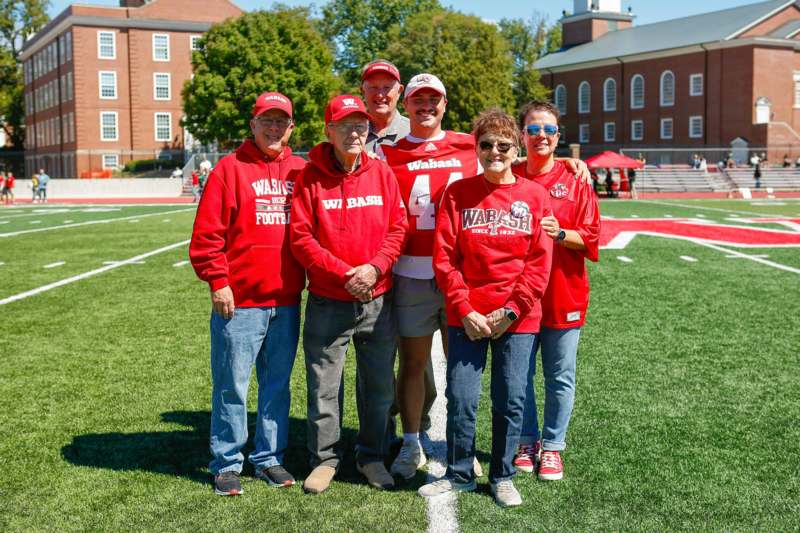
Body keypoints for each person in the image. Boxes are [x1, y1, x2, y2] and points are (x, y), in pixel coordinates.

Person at [418, 108, 552, 508]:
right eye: (487, 145)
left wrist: (511, 311)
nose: (495, 151)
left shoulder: (535, 196)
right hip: (468, 317)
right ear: (476, 148)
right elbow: (444, 258)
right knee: (461, 397)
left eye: (504, 145)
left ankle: (503, 474)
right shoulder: (458, 194)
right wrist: (466, 309)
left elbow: (539, 263)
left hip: (518, 318)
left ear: (516, 149)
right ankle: (459, 473)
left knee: (510, 398)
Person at [189, 91, 307, 496]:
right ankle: (225, 462)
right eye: (266, 121)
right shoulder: (228, 168)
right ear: (253, 124)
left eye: (281, 122)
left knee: (277, 385)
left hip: (286, 301)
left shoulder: (299, 170)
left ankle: (268, 457)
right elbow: (207, 235)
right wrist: (218, 280)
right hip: (239, 302)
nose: (274, 128)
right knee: (232, 386)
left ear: (291, 127)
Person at [290, 94, 408, 494]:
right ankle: (324, 459)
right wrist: (343, 273)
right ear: (329, 131)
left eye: (360, 125)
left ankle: (372, 456)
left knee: (378, 389)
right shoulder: (309, 177)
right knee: (324, 387)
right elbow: (301, 239)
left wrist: (375, 268)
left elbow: (398, 228)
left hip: (378, 298)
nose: (355, 132)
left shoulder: (382, 174)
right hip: (328, 300)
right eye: (345, 125)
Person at [511, 100, 600, 482]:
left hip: (564, 292)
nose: (541, 136)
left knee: (560, 376)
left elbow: (593, 236)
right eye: (533, 129)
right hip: (519, 295)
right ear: (522, 134)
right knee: (521, 374)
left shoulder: (575, 177)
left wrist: (560, 234)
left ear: (558, 136)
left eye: (548, 130)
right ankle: (527, 441)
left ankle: (554, 447)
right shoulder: (508, 173)